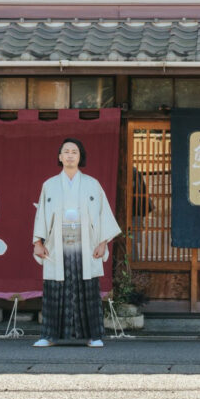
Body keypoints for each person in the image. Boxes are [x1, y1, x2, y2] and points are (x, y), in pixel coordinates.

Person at [32, 138, 121, 347]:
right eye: (66, 151)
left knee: (87, 288)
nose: (70, 155)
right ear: (60, 157)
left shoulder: (92, 184)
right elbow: (41, 215)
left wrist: (103, 242)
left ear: (80, 157)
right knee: (55, 288)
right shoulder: (50, 185)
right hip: (57, 243)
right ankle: (49, 336)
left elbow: (103, 214)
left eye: (75, 151)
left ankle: (94, 336)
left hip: (86, 243)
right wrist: (38, 241)